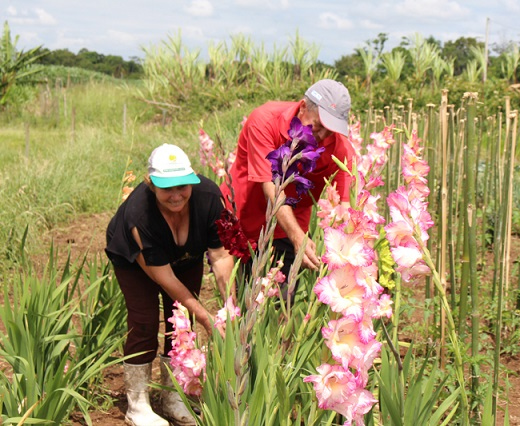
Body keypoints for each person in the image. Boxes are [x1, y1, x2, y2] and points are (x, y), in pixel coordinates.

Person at [105, 143, 234, 426]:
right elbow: (164, 277)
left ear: (192, 178)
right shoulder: (140, 214)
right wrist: (207, 319)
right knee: (145, 322)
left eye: (183, 186)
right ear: (151, 183)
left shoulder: (210, 198)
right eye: (167, 188)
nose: (176, 195)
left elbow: (221, 256)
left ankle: (173, 396)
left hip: (185, 255)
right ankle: (137, 404)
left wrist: (229, 309)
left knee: (181, 323)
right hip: (135, 261)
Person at [220, 79, 355, 298]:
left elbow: (345, 207)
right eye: (318, 127)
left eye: (329, 132)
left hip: (288, 225)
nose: (321, 138)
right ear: (302, 108)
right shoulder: (265, 121)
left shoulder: (340, 148)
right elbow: (272, 187)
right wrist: (298, 238)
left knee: (280, 301)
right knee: (240, 302)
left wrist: (356, 257)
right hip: (242, 219)